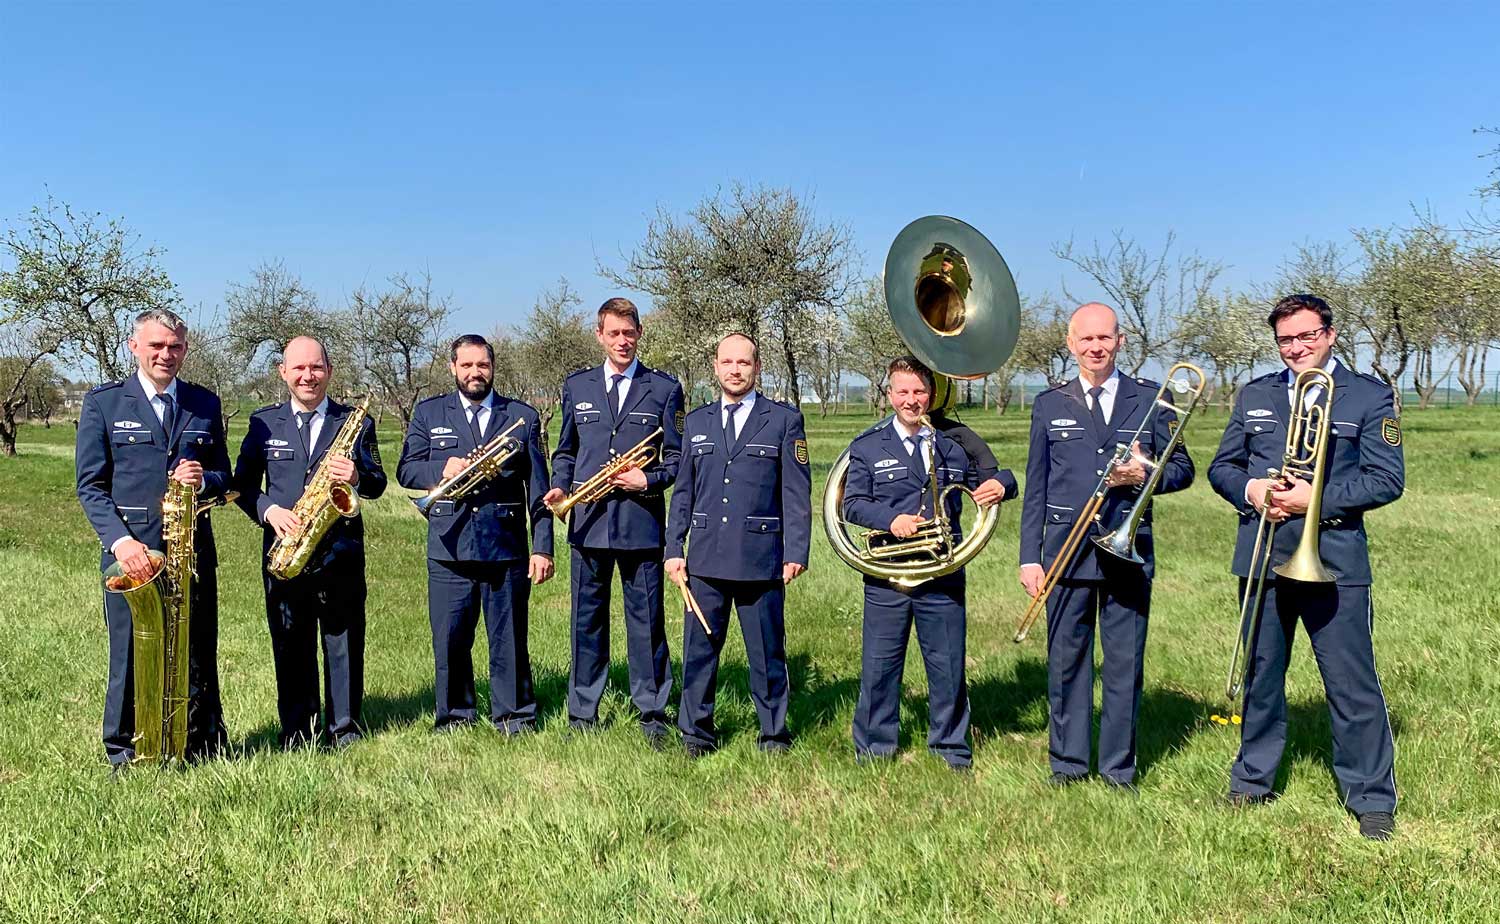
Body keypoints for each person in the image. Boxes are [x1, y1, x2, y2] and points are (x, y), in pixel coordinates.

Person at [1207, 293, 1403, 840]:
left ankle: (1371, 799)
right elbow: (1222, 468)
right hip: (1263, 555)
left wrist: (1312, 497)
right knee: (1261, 677)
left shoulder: (1368, 397)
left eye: (1307, 336)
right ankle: (1252, 781)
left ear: (1331, 334)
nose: (1296, 348)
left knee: (1351, 681)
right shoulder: (1256, 394)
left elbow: (1387, 480)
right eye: (1286, 340)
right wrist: (1252, 487)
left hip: (1333, 557)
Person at [1018, 302, 1194, 792]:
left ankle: (1119, 770)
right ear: (1071, 345)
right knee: (1066, 662)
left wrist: (1147, 473)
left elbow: (1184, 470)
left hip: (1127, 548)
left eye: (1105, 338)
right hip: (1065, 551)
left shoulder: (1152, 400)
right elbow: (1037, 485)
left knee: (1123, 664)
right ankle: (1068, 765)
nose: (1096, 347)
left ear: (1120, 342)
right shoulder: (1048, 404)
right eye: (1086, 339)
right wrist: (1030, 556)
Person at [75, 307, 232, 767]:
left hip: (192, 551)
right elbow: (90, 487)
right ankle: (125, 752)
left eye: (175, 346)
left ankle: (199, 745)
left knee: (197, 650)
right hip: (131, 552)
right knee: (129, 653)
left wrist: (204, 480)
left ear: (185, 349)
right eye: (157, 345)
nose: (166, 354)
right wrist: (122, 545)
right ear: (134, 346)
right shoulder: (103, 403)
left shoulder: (205, 403)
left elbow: (226, 476)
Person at [842, 355, 995, 771]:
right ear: (889, 395)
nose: (912, 400)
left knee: (947, 665)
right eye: (903, 391)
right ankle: (874, 747)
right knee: (879, 664)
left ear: (931, 395)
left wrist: (1002, 484)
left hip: (942, 573)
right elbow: (852, 504)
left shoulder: (954, 444)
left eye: (919, 391)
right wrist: (891, 520)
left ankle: (951, 749)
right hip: (888, 576)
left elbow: (996, 478)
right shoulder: (868, 446)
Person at [543, 298, 684, 748]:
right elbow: (565, 450)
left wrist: (649, 478)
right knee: (586, 622)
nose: (622, 341)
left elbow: (679, 460)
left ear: (639, 333)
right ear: (600, 335)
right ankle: (583, 713)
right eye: (614, 333)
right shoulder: (577, 386)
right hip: (587, 523)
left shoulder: (664, 388)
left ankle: (653, 713)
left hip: (641, 523)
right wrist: (561, 488)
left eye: (630, 332)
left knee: (646, 622)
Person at [233, 336, 386, 749]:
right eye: (298, 368)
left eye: (316, 367)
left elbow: (377, 483)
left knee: (344, 641)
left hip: (340, 552)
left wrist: (356, 475)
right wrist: (268, 510)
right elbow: (241, 486)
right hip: (286, 551)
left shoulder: (355, 422)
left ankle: (345, 729)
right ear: (283, 373)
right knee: (290, 642)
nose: (308, 376)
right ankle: (298, 730)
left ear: (329, 371)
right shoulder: (263, 423)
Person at [397, 334, 554, 734]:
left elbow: (540, 490)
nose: (474, 372)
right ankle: (454, 717)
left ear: (493, 367)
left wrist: (543, 547)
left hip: (505, 545)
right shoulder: (429, 413)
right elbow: (406, 470)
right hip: (449, 544)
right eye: (466, 365)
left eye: (482, 365)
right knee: (450, 639)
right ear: (452, 368)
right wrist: (441, 469)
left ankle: (515, 716)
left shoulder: (522, 417)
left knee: (510, 639)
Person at [665, 333, 811, 757]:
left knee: (767, 654)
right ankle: (696, 733)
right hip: (706, 559)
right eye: (727, 362)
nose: (734, 370)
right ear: (715, 366)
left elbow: (796, 494)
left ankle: (773, 735)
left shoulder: (783, 420)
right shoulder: (697, 422)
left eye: (743, 363)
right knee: (699, 653)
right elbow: (684, 494)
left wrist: (795, 552)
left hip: (760, 559)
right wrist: (674, 549)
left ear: (757, 367)